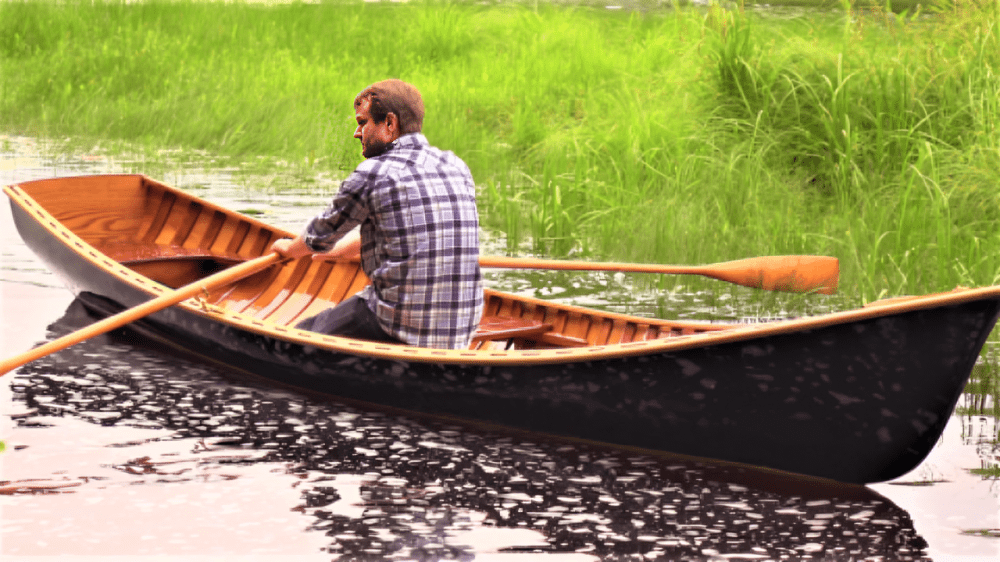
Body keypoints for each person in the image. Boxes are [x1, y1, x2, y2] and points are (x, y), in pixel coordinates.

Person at [270, 79, 483, 349]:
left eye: (363, 122)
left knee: (299, 337)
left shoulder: (373, 174)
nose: (357, 133)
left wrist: (289, 249)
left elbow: (319, 237)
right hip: (461, 324)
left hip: (400, 320)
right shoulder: (455, 166)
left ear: (390, 124)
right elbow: (404, 234)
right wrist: (337, 253)